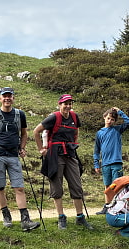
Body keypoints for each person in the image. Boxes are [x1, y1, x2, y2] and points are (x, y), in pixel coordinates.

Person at [0, 87, 41, 231]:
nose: (7, 98)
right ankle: (6, 216)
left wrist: (22, 148)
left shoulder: (20, 115)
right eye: (4, 96)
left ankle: (25, 220)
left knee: (19, 187)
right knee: (0, 187)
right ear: (0, 98)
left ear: (13, 98)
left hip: (13, 155)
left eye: (9, 96)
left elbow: (24, 134)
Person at [33, 94, 93, 230]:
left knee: (76, 184)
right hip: (55, 153)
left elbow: (76, 131)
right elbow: (36, 131)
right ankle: (61, 217)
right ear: (59, 104)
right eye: (65, 103)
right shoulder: (53, 117)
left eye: (70, 103)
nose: (68, 106)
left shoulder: (74, 117)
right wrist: (41, 149)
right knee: (56, 185)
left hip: (70, 153)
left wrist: (74, 143)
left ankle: (80, 217)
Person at [94, 107, 129, 214]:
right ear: (104, 118)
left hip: (116, 162)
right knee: (107, 186)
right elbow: (96, 150)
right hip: (105, 163)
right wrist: (96, 163)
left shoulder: (117, 129)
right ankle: (107, 206)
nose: (110, 121)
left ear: (115, 121)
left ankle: (118, 206)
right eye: (108, 118)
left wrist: (119, 112)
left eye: (112, 119)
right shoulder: (99, 133)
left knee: (118, 185)